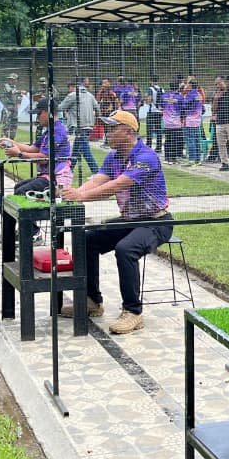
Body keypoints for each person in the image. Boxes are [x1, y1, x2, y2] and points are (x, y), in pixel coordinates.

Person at [60, 111, 173, 335]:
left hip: (156, 222)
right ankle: (92, 302)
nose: (108, 132)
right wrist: (74, 192)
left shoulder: (145, 157)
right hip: (129, 220)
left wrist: (80, 197)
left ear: (129, 132)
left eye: (113, 128)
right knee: (85, 239)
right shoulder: (114, 156)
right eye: (108, 128)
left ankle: (133, 312)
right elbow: (99, 180)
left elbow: (117, 185)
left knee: (125, 249)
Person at [0, 98, 73, 195]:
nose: (37, 118)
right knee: (18, 187)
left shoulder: (57, 131)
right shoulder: (50, 130)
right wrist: (11, 142)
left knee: (21, 191)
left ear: (48, 112)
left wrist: (19, 154)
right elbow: (33, 149)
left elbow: (44, 158)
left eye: (39, 114)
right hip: (48, 175)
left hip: (57, 178)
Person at [59, 78, 101, 176]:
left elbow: (61, 107)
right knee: (76, 150)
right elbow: (97, 108)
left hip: (78, 126)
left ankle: (96, 171)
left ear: (75, 86)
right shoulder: (90, 95)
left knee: (85, 150)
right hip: (89, 125)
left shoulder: (73, 95)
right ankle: (69, 170)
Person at [182, 79, 205, 163]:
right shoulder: (199, 94)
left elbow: (183, 106)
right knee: (197, 140)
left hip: (190, 121)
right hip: (198, 121)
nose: (186, 86)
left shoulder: (190, 95)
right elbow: (203, 108)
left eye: (188, 84)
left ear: (191, 85)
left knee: (190, 140)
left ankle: (192, 159)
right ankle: (198, 159)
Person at [160, 80, 184, 162]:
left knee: (168, 140)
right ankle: (173, 158)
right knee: (175, 140)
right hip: (176, 122)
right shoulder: (179, 97)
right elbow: (183, 108)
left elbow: (161, 106)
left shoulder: (164, 96)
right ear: (177, 87)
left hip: (167, 122)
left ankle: (167, 157)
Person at [0, 74, 23, 140]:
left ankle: (12, 139)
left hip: (14, 107)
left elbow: (16, 96)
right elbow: (11, 92)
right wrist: (20, 92)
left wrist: (20, 96)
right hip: (8, 107)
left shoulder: (14, 86)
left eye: (13, 79)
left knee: (14, 123)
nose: (11, 80)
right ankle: (4, 139)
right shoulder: (6, 85)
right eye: (10, 79)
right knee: (6, 123)